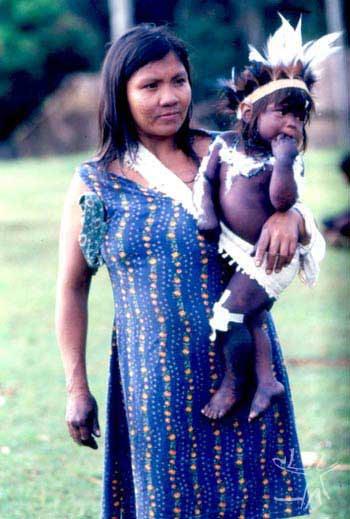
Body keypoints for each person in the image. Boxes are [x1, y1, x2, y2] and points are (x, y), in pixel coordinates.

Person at [56, 24, 320, 519]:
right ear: (120, 94)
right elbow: (72, 288)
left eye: (178, 81)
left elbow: (299, 205)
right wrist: (76, 387)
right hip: (154, 383)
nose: (169, 97)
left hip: (245, 375)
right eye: (150, 86)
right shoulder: (94, 183)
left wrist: (293, 217)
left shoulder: (234, 153)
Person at [194, 14, 333, 423]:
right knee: (252, 316)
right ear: (247, 110)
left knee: (229, 315)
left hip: (272, 255)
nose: (292, 124)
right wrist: (205, 215)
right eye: (283, 113)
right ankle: (267, 379)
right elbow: (206, 182)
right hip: (235, 248)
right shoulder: (223, 145)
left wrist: (285, 163)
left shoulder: (285, 159)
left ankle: (235, 383)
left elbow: (282, 203)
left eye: (300, 118)